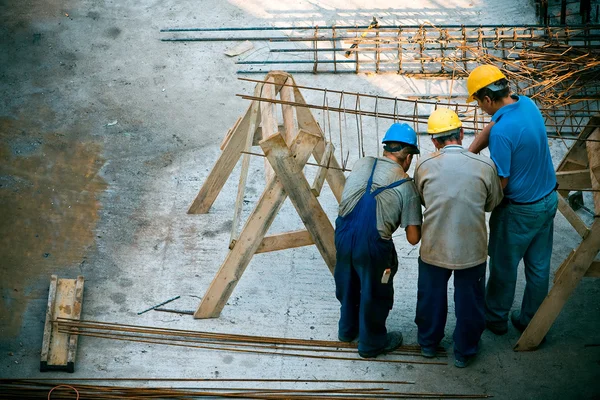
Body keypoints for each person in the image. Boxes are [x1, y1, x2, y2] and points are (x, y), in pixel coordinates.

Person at [467, 64, 558, 339]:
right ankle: (531, 320)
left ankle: (495, 319)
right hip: (548, 200)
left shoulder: (503, 134)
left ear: (487, 99)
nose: (480, 109)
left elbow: (501, 183)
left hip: (519, 211)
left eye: (478, 103)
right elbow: (493, 125)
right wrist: (469, 153)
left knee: (504, 268)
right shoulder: (527, 104)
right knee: (539, 267)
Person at [413, 108, 503, 368]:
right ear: (462, 133)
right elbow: (492, 203)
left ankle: (428, 344)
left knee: (430, 297)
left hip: (434, 247)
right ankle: (465, 350)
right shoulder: (486, 166)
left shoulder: (424, 165)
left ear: (434, 141)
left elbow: (422, 198)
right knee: (470, 301)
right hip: (471, 249)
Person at [334, 122, 423, 358]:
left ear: (386, 148)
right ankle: (371, 344)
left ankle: (347, 330)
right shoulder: (406, 185)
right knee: (375, 292)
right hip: (372, 246)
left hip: (342, 233)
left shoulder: (362, 163)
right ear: (408, 158)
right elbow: (413, 239)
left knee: (348, 281)